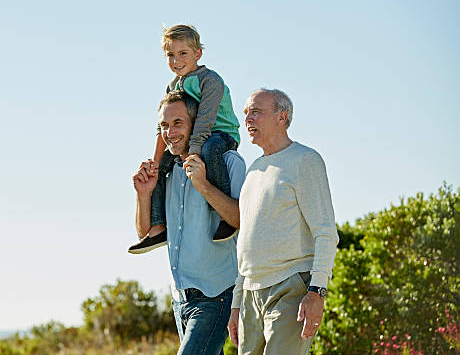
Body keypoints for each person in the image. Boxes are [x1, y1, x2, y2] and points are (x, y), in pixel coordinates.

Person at [132, 91, 246, 354]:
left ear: (197, 124)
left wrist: (203, 185)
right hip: (180, 300)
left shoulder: (228, 162)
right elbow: (145, 231)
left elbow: (241, 220)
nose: (169, 132)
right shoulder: (168, 173)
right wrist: (144, 194)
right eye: (163, 126)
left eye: (177, 123)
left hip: (217, 296)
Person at [227, 89, 339, 354]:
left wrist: (317, 292)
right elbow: (246, 244)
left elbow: (325, 232)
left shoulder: (305, 160)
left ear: (282, 116)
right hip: (251, 294)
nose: (247, 119)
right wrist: (236, 304)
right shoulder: (253, 170)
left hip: (291, 287)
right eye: (245, 113)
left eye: (255, 111)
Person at [128, 24, 241, 254]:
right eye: (170, 55)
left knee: (210, 148)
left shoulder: (210, 81)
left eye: (183, 54)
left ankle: (224, 216)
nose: (176, 60)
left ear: (198, 54)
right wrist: (155, 162)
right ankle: (159, 227)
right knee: (162, 167)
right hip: (194, 138)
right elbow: (162, 127)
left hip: (220, 134)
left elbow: (204, 121)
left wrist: (193, 152)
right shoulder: (172, 87)